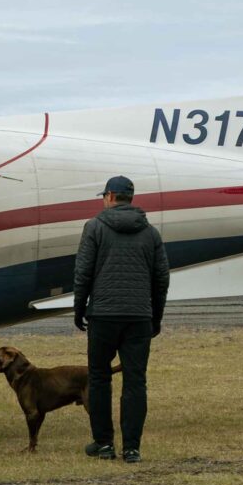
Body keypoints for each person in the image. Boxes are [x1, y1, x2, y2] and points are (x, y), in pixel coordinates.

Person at [71, 174, 170, 463]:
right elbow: (161, 278)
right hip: (138, 316)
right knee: (135, 381)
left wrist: (80, 309)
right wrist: (155, 315)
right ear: (130, 198)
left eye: (104, 195)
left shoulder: (94, 227)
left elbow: (83, 273)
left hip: (103, 314)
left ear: (111, 197)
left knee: (100, 378)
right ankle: (131, 448)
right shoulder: (150, 232)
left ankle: (103, 444)